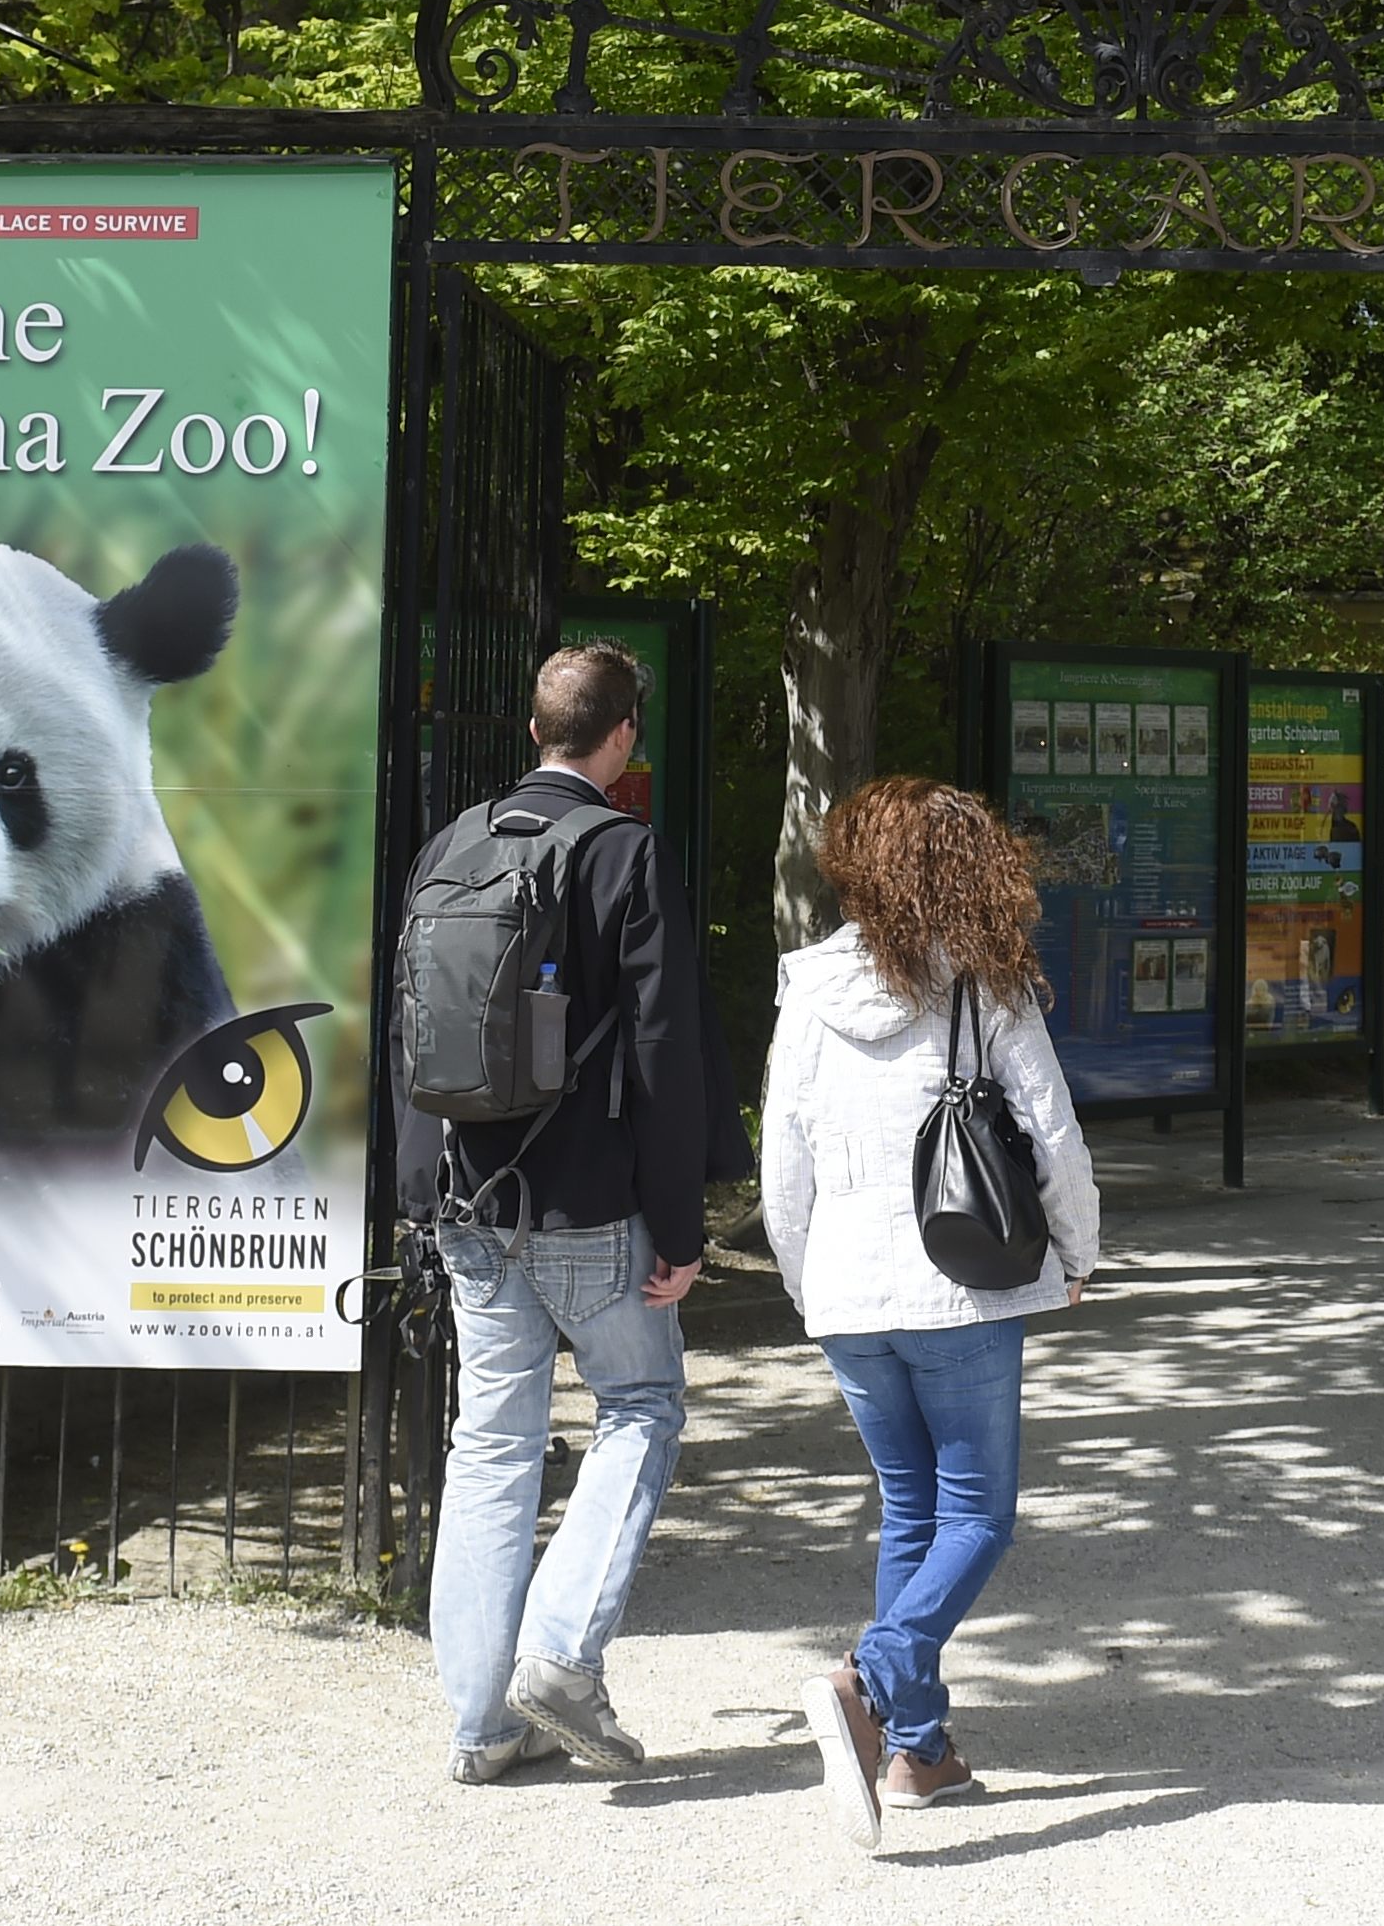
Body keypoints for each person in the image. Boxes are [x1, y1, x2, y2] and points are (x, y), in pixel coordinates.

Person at [763, 776, 1100, 1847]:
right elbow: (1053, 1136)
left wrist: (806, 1281)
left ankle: (920, 1752)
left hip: (849, 1293)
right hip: (963, 1289)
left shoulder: (808, 989)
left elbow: (784, 1159)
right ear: (965, 870)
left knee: (913, 1514)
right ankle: (874, 1675)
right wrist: (1080, 1252)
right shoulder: (984, 988)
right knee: (979, 1518)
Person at [429, 640, 713, 1784]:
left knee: (488, 1447)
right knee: (641, 1403)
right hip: (590, 1201)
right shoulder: (622, 854)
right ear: (622, 735)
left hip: (467, 1199)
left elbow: (410, 1032)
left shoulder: (451, 844)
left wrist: (425, 1194)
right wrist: (681, 1225)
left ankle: (479, 1726)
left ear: (535, 727)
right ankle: (559, 1652)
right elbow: (663, 1049)